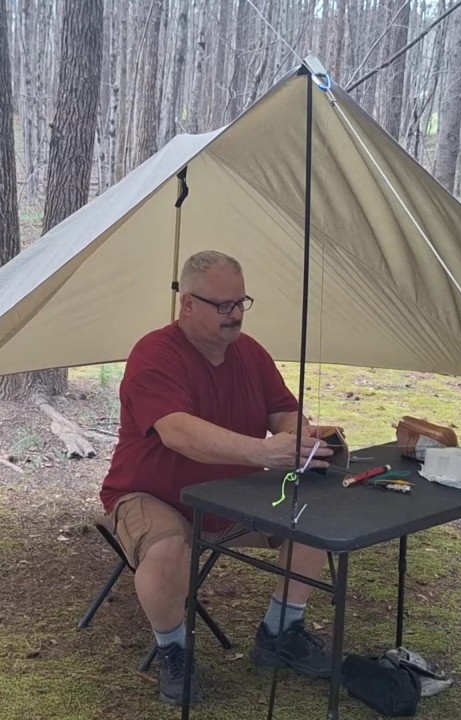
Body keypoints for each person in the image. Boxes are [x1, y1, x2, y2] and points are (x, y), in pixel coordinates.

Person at [100, 250, 335, 706]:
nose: (235, 316)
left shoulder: (251, 354)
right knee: (167, 548)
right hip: (153, 493)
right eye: (223, 305)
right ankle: (174, 651)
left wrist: (298, 439)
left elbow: (284, 411)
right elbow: (177, 432)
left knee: (313, 518)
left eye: (241, 303)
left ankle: (280, 632)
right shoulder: (155, 352)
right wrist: (263, 451)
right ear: (188, 304)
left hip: (234, 494)